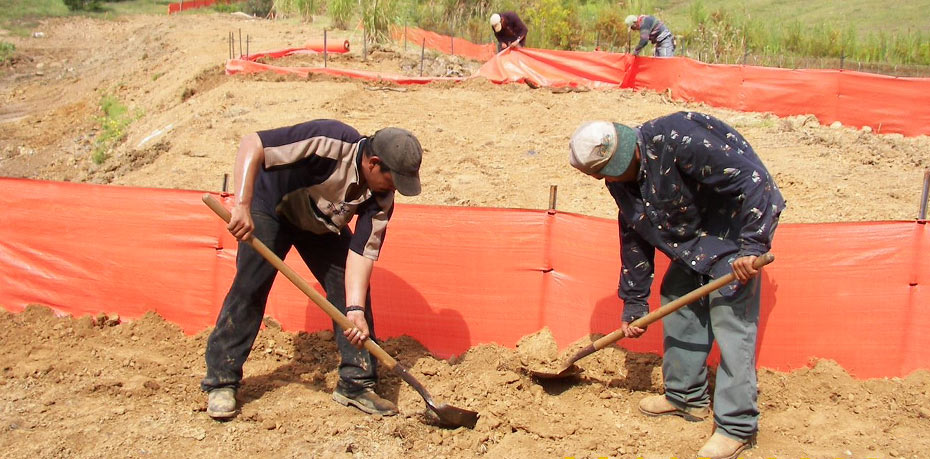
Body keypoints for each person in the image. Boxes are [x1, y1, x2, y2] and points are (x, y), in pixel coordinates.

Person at [568, 112, 785, 459]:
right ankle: (685, 398)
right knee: (676, 297)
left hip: (731, 237)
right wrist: (636, 302)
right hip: (692, 246)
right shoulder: (619, 182)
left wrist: (753, 246)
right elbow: (634, 234)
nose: (602, 179)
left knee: (732, 323)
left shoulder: (680, 139)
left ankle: (737, 427)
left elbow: (756, 181)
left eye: (605, 171)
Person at [201, 119, 423, 420]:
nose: (394, 188)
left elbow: (362, 253)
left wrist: (354, 308)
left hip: (320, 223)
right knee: (251, 286)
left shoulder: (381, 197)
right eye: (393, 179)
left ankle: (356, 383)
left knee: (351, 294)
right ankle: (221, 381)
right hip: (272, 208)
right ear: (373, 163)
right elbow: (252, 143)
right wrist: (242, 205)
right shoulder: (329, 141)